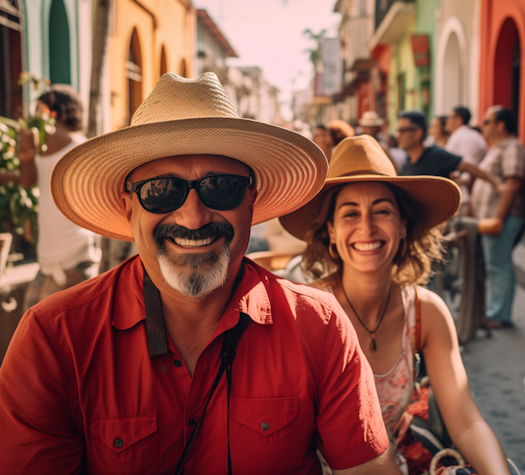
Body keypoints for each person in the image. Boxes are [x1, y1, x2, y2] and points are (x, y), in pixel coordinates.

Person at [0, 73, 399, 474]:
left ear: (250, 202)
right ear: (129, 208)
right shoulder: (54, 341)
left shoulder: (318, 325)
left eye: (221, 187)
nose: (193, 217)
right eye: (161, 190)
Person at [280, 135, 513, 475]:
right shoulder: (307, 313)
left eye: (382, 211)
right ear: (330, 231)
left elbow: (464, 421)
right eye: (350, 214)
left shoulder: (426, 312)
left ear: (403, 226)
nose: (366, 227)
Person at [16, 85, 101, 310]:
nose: (35, 114)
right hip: (52, 259)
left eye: (40, 108)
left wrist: (27, 143)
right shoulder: (57, 143)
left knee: (41, 335)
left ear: (57, 112)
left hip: (71, 257)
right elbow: (28, 180)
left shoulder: (67, 143)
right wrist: (27, 152)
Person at [473, 106, 525, 328]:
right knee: (494, 264)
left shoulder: (512, 147)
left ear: (501, 125)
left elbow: (512, 185)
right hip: (491, 217)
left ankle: (499, 315)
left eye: (487, 122)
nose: (482, 125)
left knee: (499, 265)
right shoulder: (496, 148)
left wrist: (499, 219)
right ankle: (495, 310)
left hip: (502, 217)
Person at [396, 111, 501, 191]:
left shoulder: (435, 155)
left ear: (418, 133)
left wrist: (497, 185)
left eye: (402, 131)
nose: (398, 135)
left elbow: (467, 166)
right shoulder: (408, 161)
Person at [445, 106, 488, 205]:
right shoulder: (462, 135)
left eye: (450, 117)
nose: (447, 120)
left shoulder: (467, 137)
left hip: (464, 197)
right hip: (460, 194)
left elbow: (469, 169)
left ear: (459, 120)